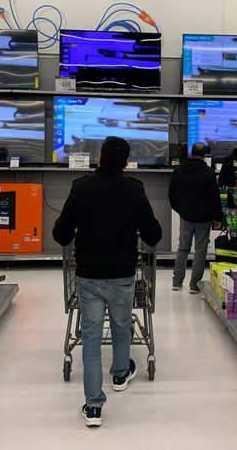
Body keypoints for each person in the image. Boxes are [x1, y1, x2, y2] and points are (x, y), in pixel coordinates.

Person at [53, 136, 162, 428]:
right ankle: (119, 374)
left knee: (90, 338)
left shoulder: (81, 187)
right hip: (123, 273)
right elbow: (153, 235)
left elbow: (61, 234)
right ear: (126, 162)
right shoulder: (134, 190)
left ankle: (93, 406)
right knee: (121, 322)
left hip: (88, 275)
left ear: (100, 157)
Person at [169, 142, 223, 293]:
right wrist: (218, 217)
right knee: (200, 251)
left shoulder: (179, 170)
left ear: (191, 153)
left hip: (185, 216)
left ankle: (177, 282)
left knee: (183, 248)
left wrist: (180, 210)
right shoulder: (209, 172)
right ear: (205, 155)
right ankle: (194, 285)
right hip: (204, 218)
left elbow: (171, 194)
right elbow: (215, 198)